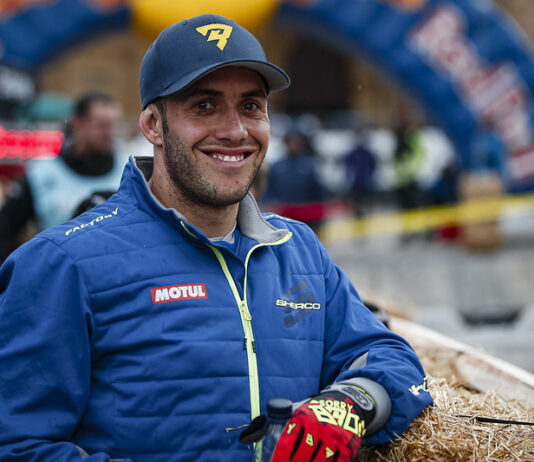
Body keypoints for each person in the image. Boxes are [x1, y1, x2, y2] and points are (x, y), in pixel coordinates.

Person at [0, 14, 432, 461]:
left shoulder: (297, 250)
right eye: (204, 106)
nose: (235, 130)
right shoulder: (60, 264)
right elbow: (14, 445)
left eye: (251, 106)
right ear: (151, 124)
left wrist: (351, 403)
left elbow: (391, 359)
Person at [0, 91, 125, 263]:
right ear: (78, 123)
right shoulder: (42, 173)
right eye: (101, 125)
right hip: (58, 276)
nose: (109, 133)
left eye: (112, 125)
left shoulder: (128, 169)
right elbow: (4, 230)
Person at [262, 127, 328, 230]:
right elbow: (269, 190)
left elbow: (319, 192)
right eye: (290, 141)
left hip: (307, 216)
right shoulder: (277, 166)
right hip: (283, 217)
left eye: (296, 141)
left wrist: (319, 215)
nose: (293, 144)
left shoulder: (310, 165)